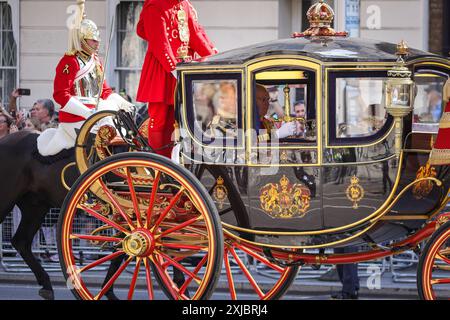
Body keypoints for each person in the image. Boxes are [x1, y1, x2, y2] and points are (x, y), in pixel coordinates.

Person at [37, 0, 133, 156]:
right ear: (82, 39)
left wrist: (123, 103)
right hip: (76, 117)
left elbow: (105, 91)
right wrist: (87, 113)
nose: (97, 43)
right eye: (93, 40)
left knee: (123, 131)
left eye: (97, 39)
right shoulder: (69, 62)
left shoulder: (96, 61)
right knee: (105, 135)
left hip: (97, 113)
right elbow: (60, 95)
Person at [136, 0, 218, 158]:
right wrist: (173, 68)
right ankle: (159, 162)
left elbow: (195, 35)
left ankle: (178, 159)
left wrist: (216, 58)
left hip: (183, 68)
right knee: (160, 120)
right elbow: (159, 42)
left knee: (184, 118)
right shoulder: (155, 4)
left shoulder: (185, 5)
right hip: (162, 69)